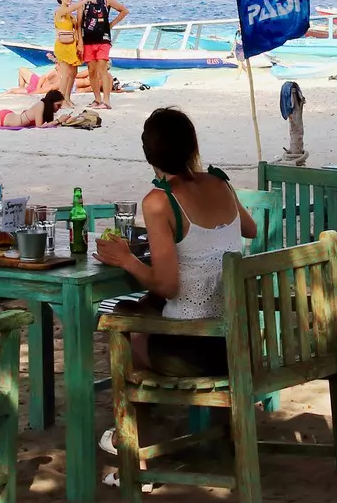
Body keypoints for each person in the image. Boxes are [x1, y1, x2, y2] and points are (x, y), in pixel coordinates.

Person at [93, 108, 255, 376]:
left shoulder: (159, 202)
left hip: (196, 349)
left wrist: (126, 259)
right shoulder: (219, 182)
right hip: (240, 341)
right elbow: (250, 229)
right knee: (143, 304)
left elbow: (168, 285)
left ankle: (139, 413)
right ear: (193, 145)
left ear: (148, 154)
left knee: (122, 315)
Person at [79, 0, 128, 109]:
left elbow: (124, 11)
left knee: (102, 69)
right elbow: (79, 23)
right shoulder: (83, 1)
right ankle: (97, 99)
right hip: (88, 40)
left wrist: (111, 24)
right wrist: (80, 43)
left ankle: (106, 101)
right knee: (91, 70)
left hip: (103, 40)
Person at [51, 0, 81, 104]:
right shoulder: (60, 11)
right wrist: (85, 1)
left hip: (72, 46)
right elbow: (73, 7)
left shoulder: (70, 14)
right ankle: (61, 100)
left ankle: (67, 98)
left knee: (73, 73)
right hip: (63, 46)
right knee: (65, 74)